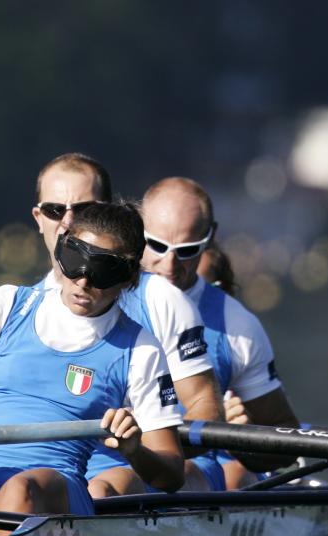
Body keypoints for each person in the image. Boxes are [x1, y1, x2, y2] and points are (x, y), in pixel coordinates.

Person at [0, 201, 185, 535]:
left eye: (102, 271)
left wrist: (134, 450)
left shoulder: (141, 348)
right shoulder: (7, 303)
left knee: (20, 491)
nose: (83, 281)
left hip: (56, 484)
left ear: (128, 278)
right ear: (60, 251)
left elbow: (171, 475)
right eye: (75, 260)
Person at [30, 153, 226, 496]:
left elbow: (205, 408)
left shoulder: (163, 299)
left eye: (84, 209)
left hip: (128, 469)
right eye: (55, 210)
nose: (67, 222)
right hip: (45, 465)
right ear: (39, 216)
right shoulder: (19, 303)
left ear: (108, 213)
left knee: (97, 491)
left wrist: (149, 440)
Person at [89, 177, 300, 493]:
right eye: (156, 246)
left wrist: (241, 441)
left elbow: (288, 441)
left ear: (210, 237)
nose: (169, 265)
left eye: (186, 251)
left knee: (229, 476)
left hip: (185, 471)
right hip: (90, 460)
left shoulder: (237, 325)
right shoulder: (94, 291)